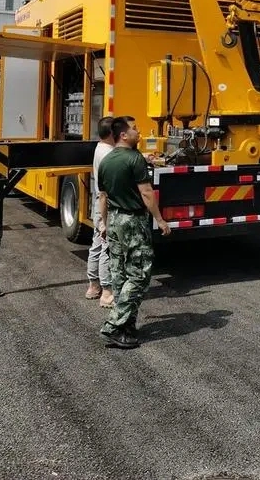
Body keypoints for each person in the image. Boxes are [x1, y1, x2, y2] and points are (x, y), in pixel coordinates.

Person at [97, 115, 171, 349]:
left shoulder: (107, 161)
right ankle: (113, 325)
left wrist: (105, 224)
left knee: (120, 274)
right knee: (139, 275)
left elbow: (103, 197)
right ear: (123, 135)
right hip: (133, 221)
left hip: (115, 219)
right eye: (135, 130)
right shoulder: (134, 159)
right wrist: (159, 219)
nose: (139, 133)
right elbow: (147, 193)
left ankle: (127, 326)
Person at [85, 116, 115, 307]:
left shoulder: (101, 148)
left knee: (97, 244)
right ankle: (106, 292)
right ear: (113, 133)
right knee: (107, 246)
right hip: (107, 205)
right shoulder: (109, 155)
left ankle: (93, 286)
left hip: (99, 203)